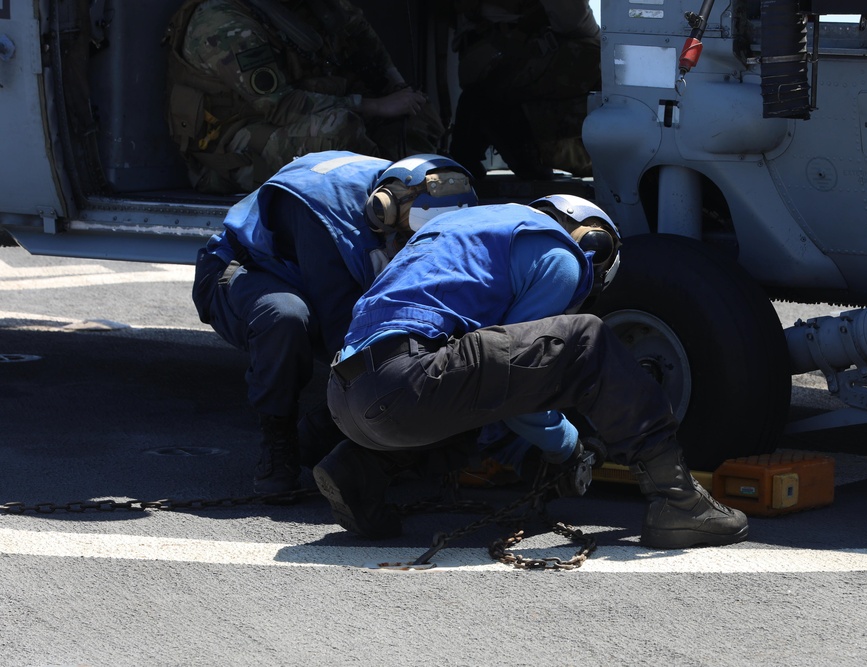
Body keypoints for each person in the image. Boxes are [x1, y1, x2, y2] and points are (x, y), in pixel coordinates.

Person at [317, 194, 749, 550]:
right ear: (595, 244)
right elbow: (523, 391)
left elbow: (489, 373)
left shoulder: (463, 229)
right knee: (587, 339)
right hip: (408, 385)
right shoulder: (561, 254)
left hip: (349, 399)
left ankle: (359, 471)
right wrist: (569, 448)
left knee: (462, 374)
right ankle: (678, 501)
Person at [192, 150, 477, 496]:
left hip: (302, 266)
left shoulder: (405, 195)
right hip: (244, 270)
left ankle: (325, 432)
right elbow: (343, 336)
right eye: (409, 239)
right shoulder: (326, 212)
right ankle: (279, 440)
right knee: (286, 318)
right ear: (381, 212)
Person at [164, 0, 444, 194]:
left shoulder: (303, 7)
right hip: (235, 143)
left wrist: (397, 87)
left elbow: (358, 33)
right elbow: (281, 105)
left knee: (415, 116)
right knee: (338, 129)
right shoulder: (225, 24)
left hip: (299, 114)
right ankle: (385, 203)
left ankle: (417, 193)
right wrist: (376, 106)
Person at [443, 0, 601, 180]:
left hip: (487, 55)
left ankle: (511, 135)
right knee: (602, 62)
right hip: (500, 54)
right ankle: (522, 136)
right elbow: (573, 21)